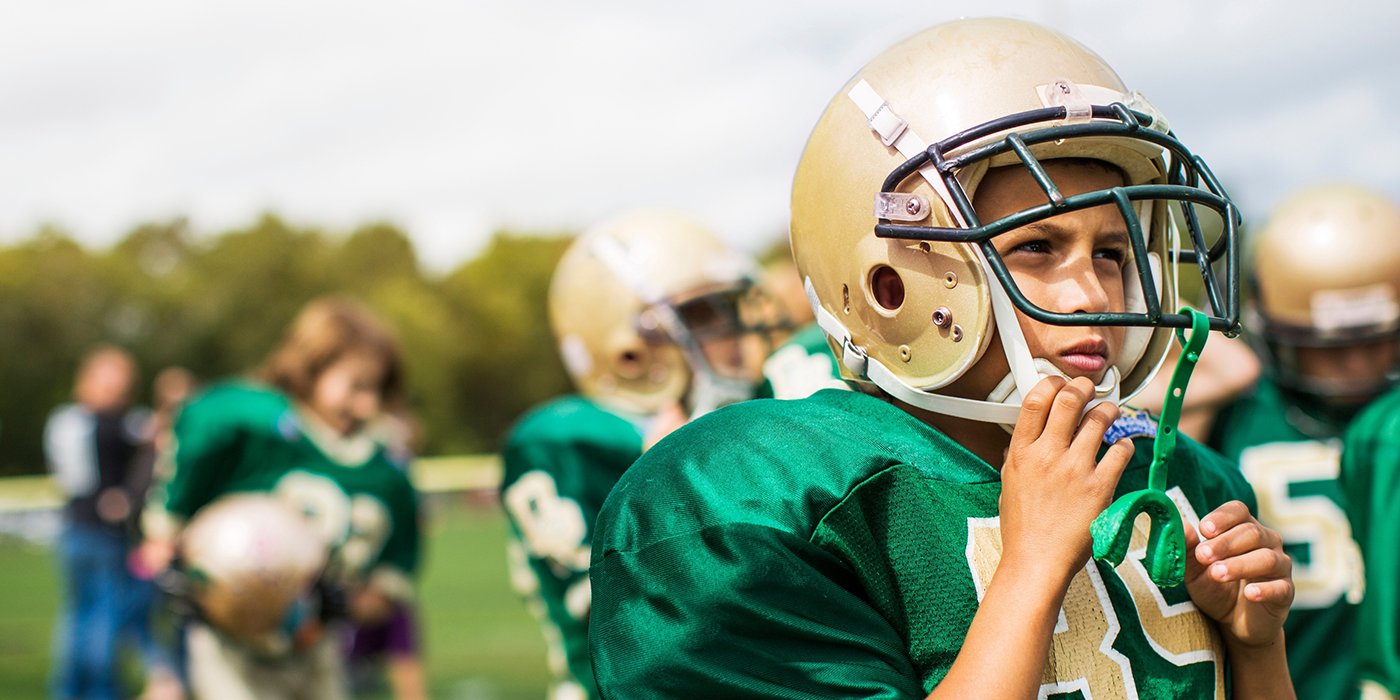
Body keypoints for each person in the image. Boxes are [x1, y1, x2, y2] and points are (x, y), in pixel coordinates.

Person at [588, 18, 1295, 699]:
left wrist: (1258, 651)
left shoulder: (1179, 479)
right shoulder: (751, 503)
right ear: (891, 285)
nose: (1091, 295)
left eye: (1111, 253)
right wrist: (1030, 570)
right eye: (1036, 248)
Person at [499, 210, 767, 700]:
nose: (733, 335)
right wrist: (663, 480)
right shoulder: (571, 444)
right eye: (705, 315)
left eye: (730, 310)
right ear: (628, 350)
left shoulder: (746, 419)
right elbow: (635, 620)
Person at [1158, 184, 1400, 700]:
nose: (1356, 366)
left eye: (1376, 340)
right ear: (1272, 328)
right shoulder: (1234, 409)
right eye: (1331, 348)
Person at [140, 296, 421, 700]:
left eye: (376, 388)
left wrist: (341, 603)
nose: (368, 404)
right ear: (312, 367)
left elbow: (387, 594)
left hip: (319, 649)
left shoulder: (385, 474)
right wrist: (182, 567)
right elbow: (165, 537)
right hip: (230, 651)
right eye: (356, 385)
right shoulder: (253, 427)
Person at [45, 345, 153, 700]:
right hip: (102, 534)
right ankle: (100, 691)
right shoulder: (123, 424)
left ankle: (70, 690)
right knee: (103, 621)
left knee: (77, 619)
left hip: (75, 530)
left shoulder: (64, 420)